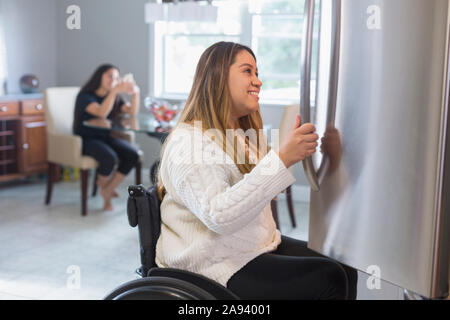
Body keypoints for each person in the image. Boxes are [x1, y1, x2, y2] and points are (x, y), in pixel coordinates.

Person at [155, 42, 357, 299]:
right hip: (211, 265)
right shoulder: (190, 142)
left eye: (257, 73)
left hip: (247, 248)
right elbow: (219, 215)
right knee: (329, 277)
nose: (258, 81)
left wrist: (288, 154)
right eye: (247, 71)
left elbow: (267, 192)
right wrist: (282, 158)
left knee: (344, 265)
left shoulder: (236, 134)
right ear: (217, 77)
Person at [73, 64, 140, 211]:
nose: (113, 79)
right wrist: (115, 90)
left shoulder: (114, 96)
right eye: (110, 75)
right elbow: (101, 112)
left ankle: (107, 189)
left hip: (106, 136)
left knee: (132, 154)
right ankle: (107, 197)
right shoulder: (85, 96)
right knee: (109, 157)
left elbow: (132, 112)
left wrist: (135, 93)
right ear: (99, 76)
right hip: (86, 139)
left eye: (116, 77)